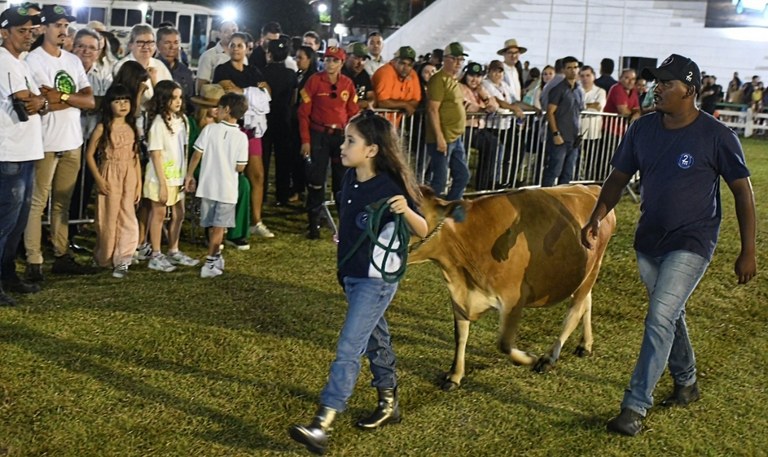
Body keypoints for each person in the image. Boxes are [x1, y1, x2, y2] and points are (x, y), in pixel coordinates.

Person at [581, 54, 757, 437]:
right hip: (649, 239)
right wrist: (596, 214)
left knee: (659, 316)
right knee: (669, 314)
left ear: (689, 91)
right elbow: (618, 176)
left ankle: (634, 407)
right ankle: (687, 381)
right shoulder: (642, 129)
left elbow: (743, 191)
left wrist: (749, 250)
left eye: (666, 83)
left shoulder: (717, 135)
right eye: (655, 82)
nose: (656, 88)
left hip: (693, 240)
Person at [289, 111, 428, 455]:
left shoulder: (390, 187)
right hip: (351, 274)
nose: (343, 145)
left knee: (349, 347)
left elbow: (423, 229)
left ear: (372, 150)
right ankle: (388, 401)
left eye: (351, 140)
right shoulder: (350, 179)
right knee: (374, 338)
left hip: (375, 280)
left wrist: (405, 212)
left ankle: (322, 423)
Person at [24, 4, 96, 281]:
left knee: (62, 203)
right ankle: (34, 259)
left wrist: (61, 97)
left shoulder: (73, 60)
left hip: (72, 140)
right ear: (43, 28)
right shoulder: (34, 60)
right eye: (58, 25)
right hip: (45, 141)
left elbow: (89, 100)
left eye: (66, 26)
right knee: (38, 202)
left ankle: (61, 253)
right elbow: (40, 102)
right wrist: (64, 99)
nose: (63, 31)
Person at [0, 5, 46, 305]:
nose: (28, 36)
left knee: (16, 224)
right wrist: (42, 100)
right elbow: (27, 103)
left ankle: (8, 277)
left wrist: (41, 99)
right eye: (21, 31)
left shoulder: (21, 61)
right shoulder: (4, 61)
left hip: (24, 152)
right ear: (3, 33)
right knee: (5, 223)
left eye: (31, 31)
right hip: (9, 153)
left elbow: (40, 98)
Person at [212, 31, 273, 244]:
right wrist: (253, 92)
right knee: (231, 177)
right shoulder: (222, 70)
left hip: (252, 130)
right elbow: (231, 91)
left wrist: (246, 92)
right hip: (231, 129)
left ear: (248, 48)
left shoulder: (254, 70)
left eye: (240, 45)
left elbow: (267, 92)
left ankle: (256, 221)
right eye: (233, 45)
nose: (236, 49)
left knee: (257, 175)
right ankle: (228, 224)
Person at [297, 46, 360, 239]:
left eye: (334, 60)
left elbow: (353, 112)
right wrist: (305, 140)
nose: (330, 63)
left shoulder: (348, 84)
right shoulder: (314, 81)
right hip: (318, 136)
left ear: (342, 63)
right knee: (316, 180)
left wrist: (352, 140)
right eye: (327, 59)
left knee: (342, 182)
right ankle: (313, 224)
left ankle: (344, 225)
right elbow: (303, 113)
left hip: (340, 137)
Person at [185, 92, 249, 278]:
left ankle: (216, 256)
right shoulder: (241, 137)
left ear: (226, 110)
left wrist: (189, 175)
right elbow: (240, 166)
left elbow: (197, 154)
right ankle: (210, 262)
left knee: (214, 226)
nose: (216, 111)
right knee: (219, 227)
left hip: (208, 187)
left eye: (219, 108)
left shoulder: (209, 130)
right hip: (226, 190)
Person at [84, 84, 142, 278]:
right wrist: (99, 179)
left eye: (125, 101)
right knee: (107, 217)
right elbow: (90, 155)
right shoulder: (103, 127)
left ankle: (124, 258)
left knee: (128, 217)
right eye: (117, 101)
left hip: (129, 174)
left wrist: (138, 183)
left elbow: (135, 156)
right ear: (109, 105)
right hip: (110, 173)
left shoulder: (132, 126)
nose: (122, 105)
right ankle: (105, 256)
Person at [144, 80, 198, 272]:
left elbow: (183, 150)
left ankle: (173, 250)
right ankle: (156, 253)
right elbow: (156, 154)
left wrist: (187, 176)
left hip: (177, 176)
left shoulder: (182, 121)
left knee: (179, 214)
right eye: (173, 97)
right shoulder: (158, 123)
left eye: (180, 97)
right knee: (158, 214)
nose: (178, 101)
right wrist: (163, 184)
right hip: (160, 178)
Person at [425, 42, 469, 200]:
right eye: (454, 58)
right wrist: (439, 137)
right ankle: (427, 215)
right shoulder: (438, 80)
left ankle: (451, 208)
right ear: (445, 59)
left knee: (462, 176)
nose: (458, 62)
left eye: (461, 59)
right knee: (439, 181)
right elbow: (432, 109)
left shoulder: (453, 80)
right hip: (443, 137)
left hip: (455, 137)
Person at [262, 35, 298, 208]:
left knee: (263, 159)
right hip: (284, 118)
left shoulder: (261, 71)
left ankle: (260, 194)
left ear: (269, 53)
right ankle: (282, 195)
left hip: (265, 119)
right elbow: (294, 98)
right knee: (283, 160)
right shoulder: (291, 74)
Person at [543, 56, 583, 187]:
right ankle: (544, 199)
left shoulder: (578, 90)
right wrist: (555, 134)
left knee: (567, 173)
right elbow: (550, 112)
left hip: (574, 138)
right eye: (569, 68)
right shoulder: (558, 89)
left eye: (575, 67)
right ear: (564, 70)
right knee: (553, 171)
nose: (573, 70)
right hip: (560, 138)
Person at [196, 20, 238, 93]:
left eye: (234, 31)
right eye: (226, 31)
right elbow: (201, 85)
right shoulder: (209, 56)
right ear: (219, 34)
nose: (231, 34)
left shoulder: (242, 56)